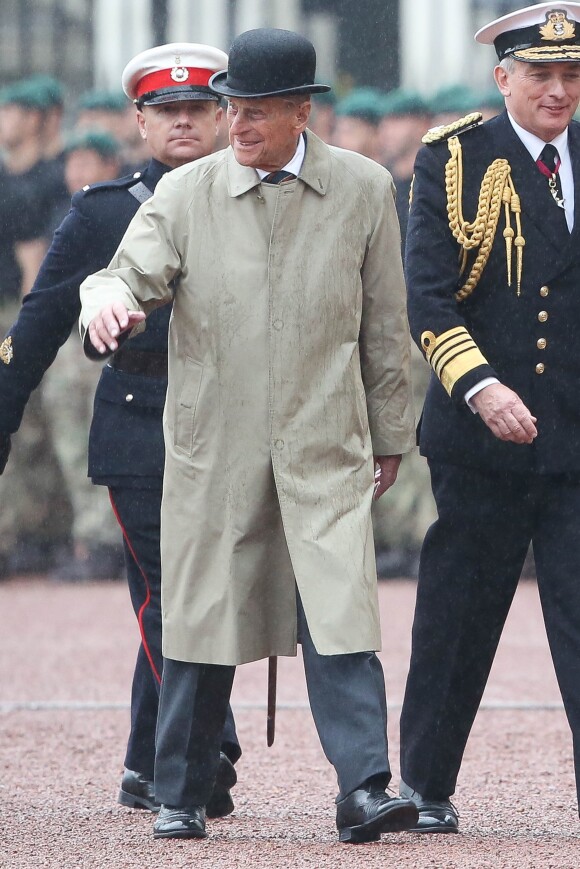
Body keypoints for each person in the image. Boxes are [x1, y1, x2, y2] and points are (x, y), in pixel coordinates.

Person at [80, 27, 418, 844]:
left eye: (258, 111)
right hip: (215, 444)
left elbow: (386, 326)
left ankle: (365, 786)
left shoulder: (366, 189)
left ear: (304, 110)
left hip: (324, 438)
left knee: (342, 614)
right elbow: (130, 271)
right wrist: (104, 297)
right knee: (201, 618)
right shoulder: (186, 193)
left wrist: (391, 433)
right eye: (233, 108)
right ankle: (182, 792)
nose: (238, 125)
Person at [0, 43, 241, 813]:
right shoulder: (106, 208)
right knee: (177, 594)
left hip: (232, 428)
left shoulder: (254, 197)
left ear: (222, 115)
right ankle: (200, 750)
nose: (182, 122)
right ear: (139, 120)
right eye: (165, 111)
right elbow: (38, 321)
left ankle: (147, 758)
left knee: (186, 595)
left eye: (197, 109)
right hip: (140, 425)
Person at [399, 1, 580, 834]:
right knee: (460, 616)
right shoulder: (455, 156)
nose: (558, 88)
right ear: (503, 77)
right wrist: (479, 387)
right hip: (482, 434)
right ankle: (427, 784)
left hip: (576, 438)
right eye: (540, 73)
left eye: (571, 73)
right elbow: (430, 298)